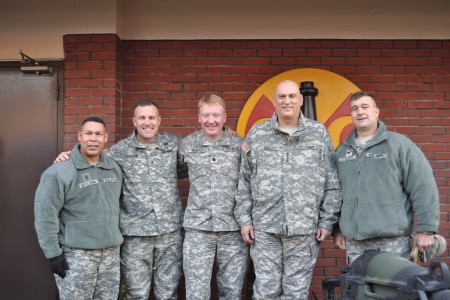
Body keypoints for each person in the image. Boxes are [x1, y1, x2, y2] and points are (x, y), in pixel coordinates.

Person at [54, 100, 187, 299]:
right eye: (142, 118)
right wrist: (68, 156)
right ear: (134, 121)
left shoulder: (174, 145)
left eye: (152, 118)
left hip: (170, 234)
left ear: (159, 121)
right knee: (136, 294)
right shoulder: (119, 151)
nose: (147, 122)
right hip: (135, 235)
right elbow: (91, 157)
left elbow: (193, 162)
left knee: (168, 293)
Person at [234, 80, 342, 299]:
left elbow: (332, 182)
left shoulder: (318, 134)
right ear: (274, 101)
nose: (287, 101)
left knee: (296, 293)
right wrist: (245, 219)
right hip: (265, 230)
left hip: (304, 231)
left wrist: (326, 220)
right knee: (265, 292)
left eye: (292, 96)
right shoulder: (258, 134)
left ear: (301, 100)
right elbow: (244, 180)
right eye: (281, 97)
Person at [333, 91, 445, 265]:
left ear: (376, 112)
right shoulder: (341, 152)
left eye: (365, 107)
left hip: (394, 243)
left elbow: (423, 186)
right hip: (355, 245)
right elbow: (336, 193)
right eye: (355, 108)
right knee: (360, 292)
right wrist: (338, 229)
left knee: (395, 292)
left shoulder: (399, 145)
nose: (360, 112)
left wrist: (426, 230)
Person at [34, 117, 123, 299]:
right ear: (80, 136)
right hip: (77, 256)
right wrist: (53, 255)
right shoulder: (58, 172)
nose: (93, 138)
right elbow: (45, 215)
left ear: (106, 138)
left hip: (110, 256)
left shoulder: (113, 168)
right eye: (88, 133)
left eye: (98, 134)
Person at [180, 94, 249, 300]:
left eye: (216, 115)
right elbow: (177, 171)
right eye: (206, 115)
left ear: (225, 117)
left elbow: (249, 180)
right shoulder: (186, 145)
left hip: (233, 229)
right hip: (198, 230)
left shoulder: (240, 145)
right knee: (196, 293)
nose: (211, 120)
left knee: (232, 291)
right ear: (199, 118)